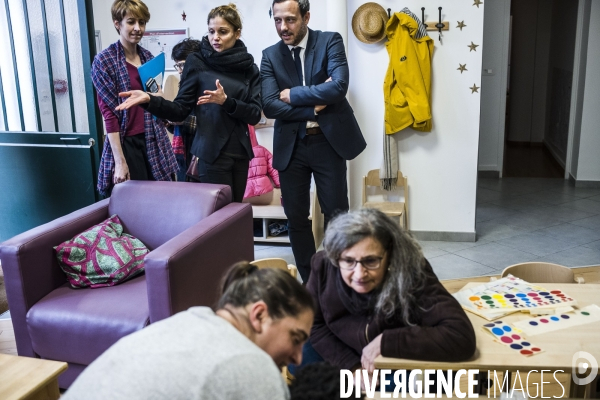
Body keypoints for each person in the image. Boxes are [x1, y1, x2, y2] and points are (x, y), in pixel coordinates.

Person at [63, 262, 315, 399]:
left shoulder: (181, 324)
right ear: (259, 315)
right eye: (295, 338)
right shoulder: (250, 367)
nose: (298, 357)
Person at [261, 0, 367, 282]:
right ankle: (311, 282)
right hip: (290, 146)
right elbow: (270, 105)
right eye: (277, 20)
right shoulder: (270, 55)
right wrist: (312, 106)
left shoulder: (330, 41)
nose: (283, 27)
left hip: (327, 142)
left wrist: (293, 95)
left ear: (306, 16)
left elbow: (338, 86)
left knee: (336, 215)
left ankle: (336, 279)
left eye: (291, 19)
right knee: (296, 217)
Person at [303, 208, 476, 375]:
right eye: (348, 261)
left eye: (371, 261)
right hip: (342, 350)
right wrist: (352, 368)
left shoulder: (413, 269)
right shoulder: (323, 265)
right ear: (335, 256)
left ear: (390, 254)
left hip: (392, 358)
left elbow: (460, 335)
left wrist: (386, 341)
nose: (359, 274)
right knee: (300, 351)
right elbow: (313, 324)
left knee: (438, 378)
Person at [115, 4, 261, 202]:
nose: (215, 37)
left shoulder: (248, 67)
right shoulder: (197, 61)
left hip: (240, 153)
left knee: (237, 214)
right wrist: (150, 100)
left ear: (237, 33)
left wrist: (226, 102)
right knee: (218, 221)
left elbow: (254, 114)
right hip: (211, 154)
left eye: (223, 32)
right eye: (211, 31)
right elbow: (180, 110)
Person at [91, 0, 177, 197]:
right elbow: (109, 115)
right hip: (126, 142)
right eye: (131, 22)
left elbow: (156, 101)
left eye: (142, 22)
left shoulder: (148, 57)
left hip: (154, 139)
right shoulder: (104, 61)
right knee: (135, 205)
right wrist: (120, 161)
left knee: (162, 200)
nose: (138, 28)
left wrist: (160, 99)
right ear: (117, 23)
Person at [168, 38, 201, 182]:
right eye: (177, 66)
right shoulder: (183, 85)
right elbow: (180, 126)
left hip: (199, 154)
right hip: (182, 154)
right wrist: (169, 123)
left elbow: (211, 122)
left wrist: (182, 120)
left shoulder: (206, 83)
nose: (180, 70)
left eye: (182, 65)